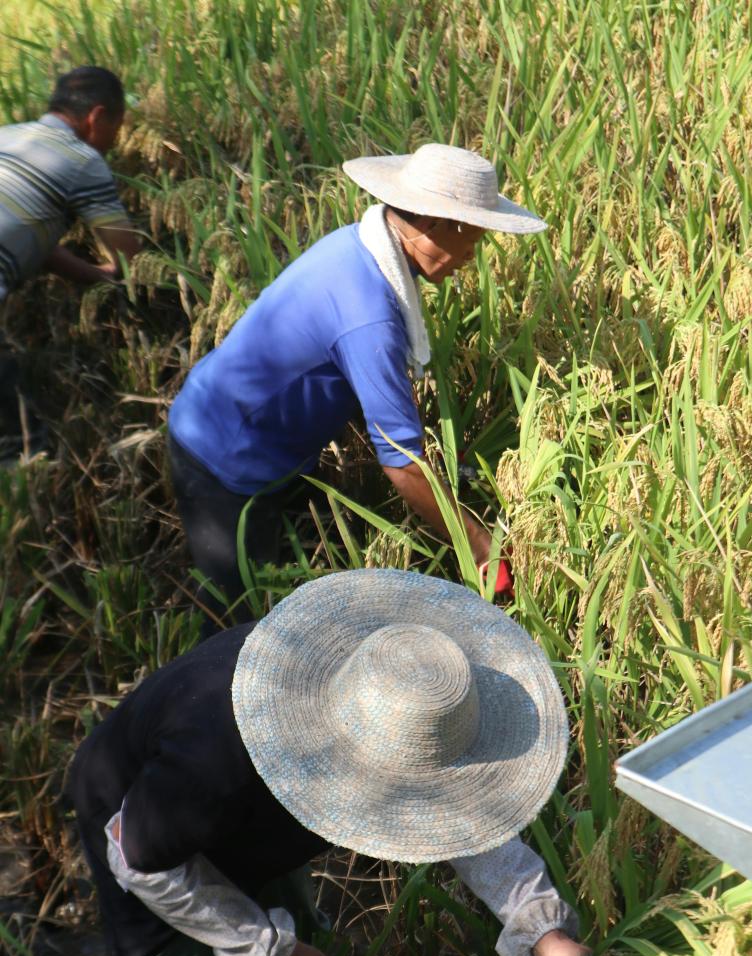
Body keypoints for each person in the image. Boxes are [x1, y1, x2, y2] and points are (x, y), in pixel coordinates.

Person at [67, 567, 599, 956]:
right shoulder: (214, 765)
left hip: (252, 821)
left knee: (306, 951)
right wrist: (270, 954)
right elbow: (135, 859)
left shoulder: (402, 691)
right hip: (139, 833)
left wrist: (541, 929)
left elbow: (459, 808)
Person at [167, 144, 543, 623]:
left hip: (243, 426)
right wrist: (483, 548)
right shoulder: (370, 316)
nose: (473, 256)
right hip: (222, 458)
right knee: (237, 629)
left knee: (272, 586)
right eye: (472, 237)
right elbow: (403, 466)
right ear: (431, 226)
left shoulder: (358, 246)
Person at [0, 66, 140, 449]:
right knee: (21, 444)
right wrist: (122, 274)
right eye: (118, 126)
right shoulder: (82, 160)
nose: (113, 141)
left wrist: (96, 275)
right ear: (96, 117)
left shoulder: (7, 136)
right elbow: (128, 256)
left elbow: (34, 241)